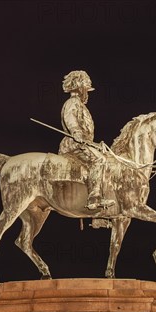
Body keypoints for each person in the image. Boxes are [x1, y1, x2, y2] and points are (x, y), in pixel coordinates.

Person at [58, 70, 115, 209]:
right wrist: (76, 131)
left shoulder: (80, 104)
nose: (87, 93)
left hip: (83, 144)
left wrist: (95, 145)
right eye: (86, 90)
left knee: (105, 156)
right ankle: (94, 198)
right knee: (99, 160)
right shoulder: (72, 103)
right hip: (74, 145)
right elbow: (70, 118)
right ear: (80, 88)